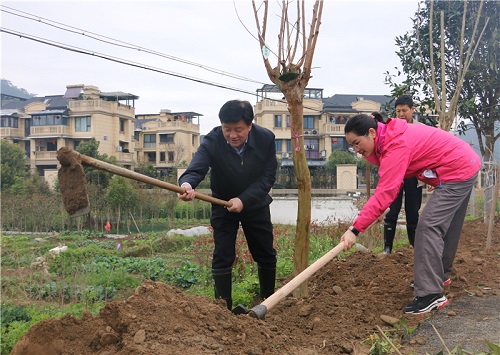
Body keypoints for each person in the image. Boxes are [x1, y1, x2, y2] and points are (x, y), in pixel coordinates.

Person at [340, 114, 480, 315]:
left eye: (357, 143)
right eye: (352, 146)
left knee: (428, 226)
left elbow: (385, 192)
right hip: (465, 163)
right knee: (446, 225)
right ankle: (439, 275)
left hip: (457, 170)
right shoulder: (389, 136)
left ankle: (430, 294)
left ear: (372, 132)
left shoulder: (396, 145)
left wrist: (355, 229)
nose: (356, 149)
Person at [178, 99, 278, 310]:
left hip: (255, 203)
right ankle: (222, 310)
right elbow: (197, 167)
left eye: (238, 130)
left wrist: (244, 200)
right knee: (222, 255)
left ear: (250, 126)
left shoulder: (265, 139)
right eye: (227, 129)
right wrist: (187, 185)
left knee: (265, 252)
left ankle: (268, 302)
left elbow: (267, 178)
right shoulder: (212, 140)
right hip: (222, 203)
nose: (232, 135)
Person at [383, 95, 423, 254]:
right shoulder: (391, 128)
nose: (401, 114)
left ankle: (415, 248)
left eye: (404, 110)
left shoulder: (421, 129)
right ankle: (387, 249)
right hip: (396, 176)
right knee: (392, 211)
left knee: (413, 213)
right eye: (398, 111)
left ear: (412, 110)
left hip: (415, 177)